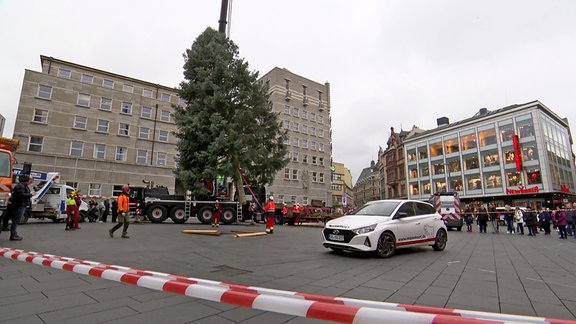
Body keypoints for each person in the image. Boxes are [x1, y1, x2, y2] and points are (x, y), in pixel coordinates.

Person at [8, 174, 33, 241]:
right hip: (19, 205)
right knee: (16, 220)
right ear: (26, 179)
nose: (31, 181)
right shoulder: (21, 186)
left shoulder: (23, 186)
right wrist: (31, 195)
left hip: (20, 205)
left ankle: (14, 234)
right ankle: (13, 235)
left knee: (15, 220)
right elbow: (21, 195)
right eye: (30, 179)